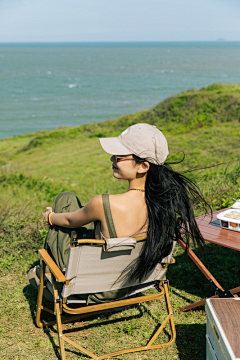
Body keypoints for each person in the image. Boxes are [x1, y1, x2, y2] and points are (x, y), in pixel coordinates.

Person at [30, 123, 210, 302]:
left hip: (94, 289)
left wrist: (50, 217)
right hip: (131, 285)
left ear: (143, 166)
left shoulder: (103, 203)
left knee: (65, 198)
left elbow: (69, 221)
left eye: (119, 157)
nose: (112, 159)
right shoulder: (164, 207)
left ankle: (44, 275)